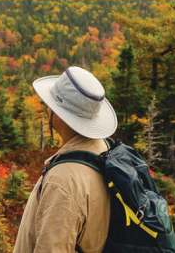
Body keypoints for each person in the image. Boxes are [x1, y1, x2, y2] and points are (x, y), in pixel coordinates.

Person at [14, 66, 118, 253]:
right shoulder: (104, 151)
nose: (47, 107)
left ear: (59, 115)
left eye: (51, 103)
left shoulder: (62, 181)